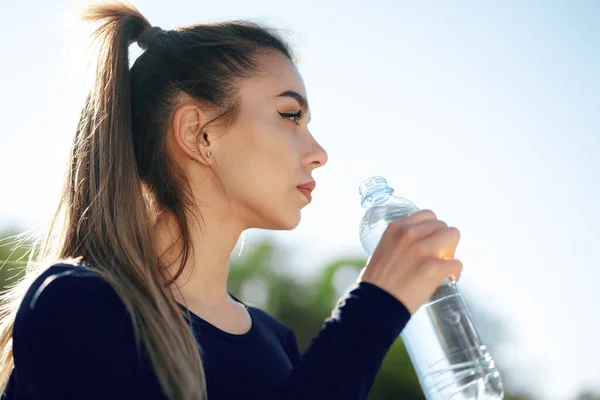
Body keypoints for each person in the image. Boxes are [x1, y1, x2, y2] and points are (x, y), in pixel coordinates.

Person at [0, 1, 462, 399]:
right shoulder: (75, 304)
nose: (319, 153)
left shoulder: (274, 340)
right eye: (289, 115)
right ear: (198, 134)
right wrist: (374, 308)